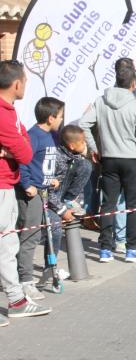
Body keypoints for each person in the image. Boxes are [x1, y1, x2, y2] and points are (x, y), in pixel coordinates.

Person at [80, 58, 136, 262]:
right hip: (132, 160)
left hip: (109, 158)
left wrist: (95, 149)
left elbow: (83, 123)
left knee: (108, 204)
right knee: (133, 205)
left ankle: (105, 249)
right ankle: (131, 249)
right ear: (133, 83)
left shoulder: (100, 100)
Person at [0, 60, 51, 324]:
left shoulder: (10, 110)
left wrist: (13, 149)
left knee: (7, 243)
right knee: (4, 243)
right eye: (25, 82)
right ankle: (16, 298)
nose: (26, 86)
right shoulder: (3, 112)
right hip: (1, 185)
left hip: (7, 182)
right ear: (17, 83)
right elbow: (24, 151)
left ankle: (16, 299)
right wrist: (13, 150)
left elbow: (23, 146)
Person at [16, 97, 66, 301]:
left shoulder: (51, 137)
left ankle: (47, 270)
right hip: (32, 194)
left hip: (44, 191)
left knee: (48, 231)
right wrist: (27, 184)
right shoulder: (33, 136)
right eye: (60, 117)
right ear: (50, 117)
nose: (62, 120)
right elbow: (23, 161)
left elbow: (43, 163)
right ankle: (25, 281)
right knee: (30, 237)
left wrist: (51, 179)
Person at [38, 125, 91, 287]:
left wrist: (68, 203)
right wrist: (62, 211)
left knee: (86, 165)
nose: (85, 144)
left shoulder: (74, 156)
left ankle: (68, 201)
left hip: (61, 195)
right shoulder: (57, 159)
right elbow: (47, 191)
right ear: (72, 145)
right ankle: (50, 267)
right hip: (48, 198)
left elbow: (78, 178)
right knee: (54, 229)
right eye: (83, 142)